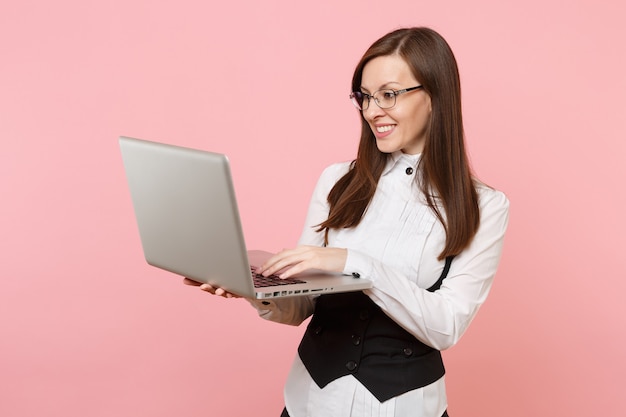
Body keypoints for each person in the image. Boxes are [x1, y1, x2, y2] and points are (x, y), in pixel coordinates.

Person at [185, 27, 509, 417]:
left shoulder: (484, 206)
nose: (372, 111)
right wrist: (255, 290)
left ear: (435, 96)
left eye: (388, 94)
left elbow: (446, 326)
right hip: (310, 402)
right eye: (365, 97)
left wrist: (350, 261)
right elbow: (302, 304)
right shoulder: (337, 180)